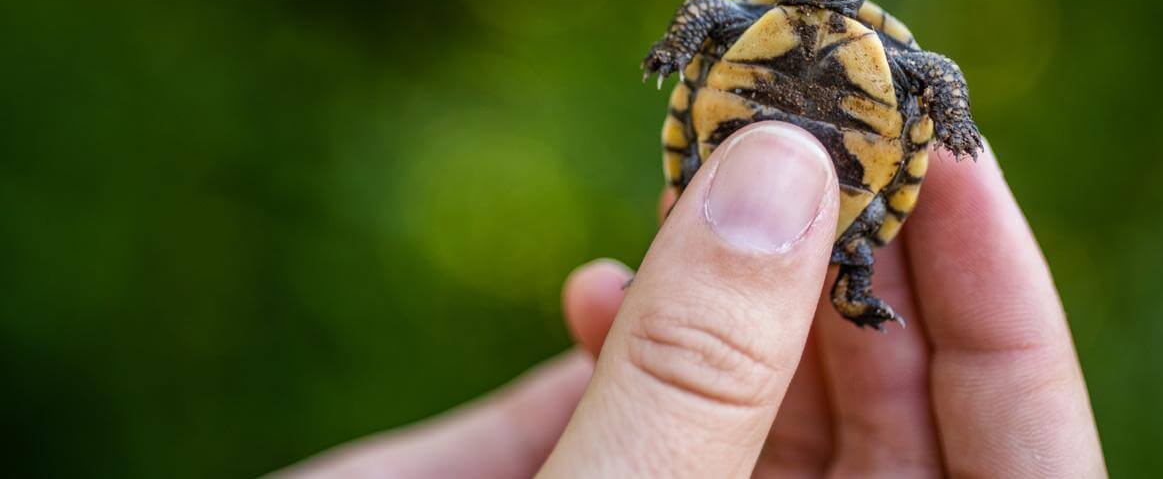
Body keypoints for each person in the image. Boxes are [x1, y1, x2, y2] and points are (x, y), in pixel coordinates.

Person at [278, 122, 1107, 478]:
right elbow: (707, 16)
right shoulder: (745, 21)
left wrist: (948, 110)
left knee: (856, 256)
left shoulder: (886, 59)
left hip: (827, 201)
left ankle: (855, 289)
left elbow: (932, 80)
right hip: (775, 184)